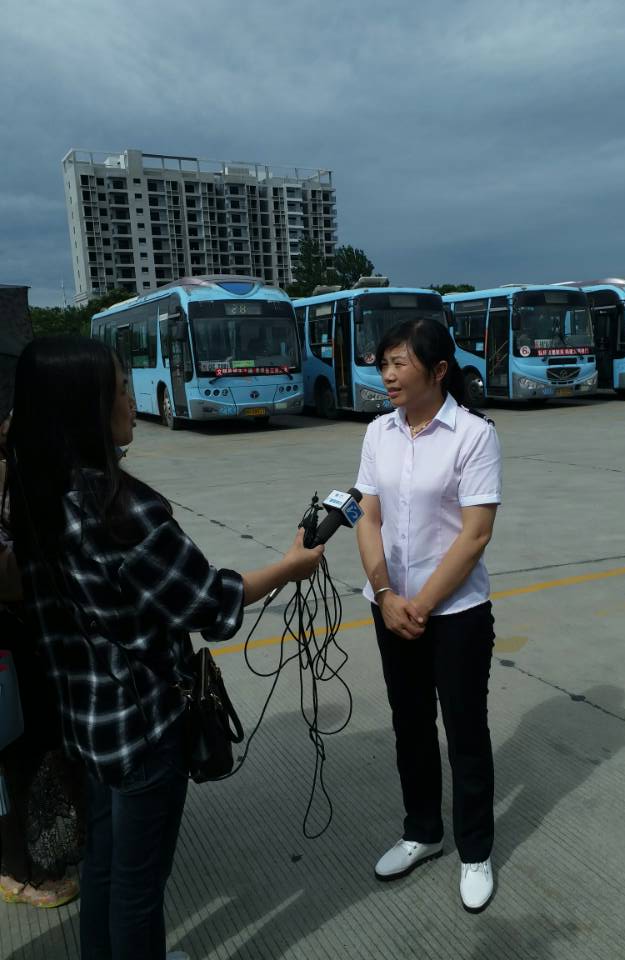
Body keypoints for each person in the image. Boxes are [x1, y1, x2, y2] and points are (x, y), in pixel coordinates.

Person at [5, 336, 324, 959]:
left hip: (88, 724)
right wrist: (290, 567)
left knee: (104, 863)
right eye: (121, 389)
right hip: (144, 725)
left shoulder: (36, 499)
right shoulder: (121, 511)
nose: (133, 400)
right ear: (86, 407)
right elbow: (207, 603)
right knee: (140, 884)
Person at [354, 318, 501, 912]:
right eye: (383, 364)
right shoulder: (378, 433)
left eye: (400, 364)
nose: (387, 375)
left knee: (465, 731)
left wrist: (421, 603)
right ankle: (422, 831)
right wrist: (385, 593)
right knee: (409, 724)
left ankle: (476, 851)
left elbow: (475, 534)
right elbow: (367, 518)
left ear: (439, 371)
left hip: (457, 614)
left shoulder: (473, 436)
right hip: (390, 609)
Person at [1, 414, 84, 908]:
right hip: (11, 639)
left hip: (20, 634)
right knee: (19, 753)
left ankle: (21, 862)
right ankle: (23, 871)